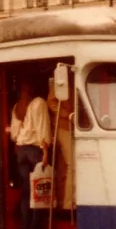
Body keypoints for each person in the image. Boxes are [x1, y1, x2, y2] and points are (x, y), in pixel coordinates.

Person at [9, 80, 52, 229]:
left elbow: (13, 135)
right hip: (35, 152)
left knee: (27, 193)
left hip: (21, 152)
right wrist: (46, 152)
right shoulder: (39, 103)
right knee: (40, 194)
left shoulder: (17, 107)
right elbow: (43, 130)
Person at [47, 78, 74, 211]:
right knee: (72, 164)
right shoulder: (61, 78)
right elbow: (51, 102)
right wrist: (67, 115)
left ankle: (63, 201)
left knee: (64, 166)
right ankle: (69, 204)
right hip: (63, 126)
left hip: (72, 126)